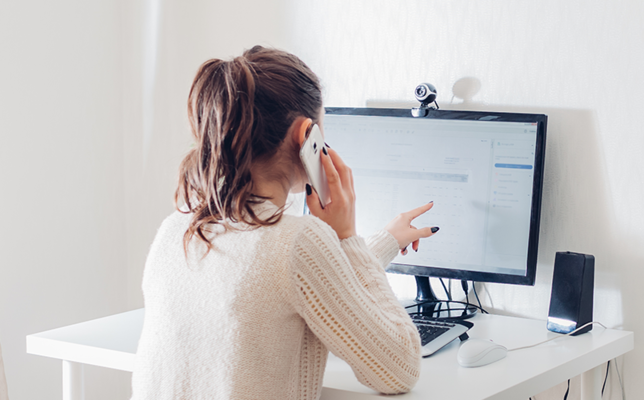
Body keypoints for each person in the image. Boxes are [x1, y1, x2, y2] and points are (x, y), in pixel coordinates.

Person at [131, 46, 435, 399]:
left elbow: (282, 282)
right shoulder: (300, 241)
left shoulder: (177, 229)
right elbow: (400, 369)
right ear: (307, 135)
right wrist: (346, 237)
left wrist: (383, 242)